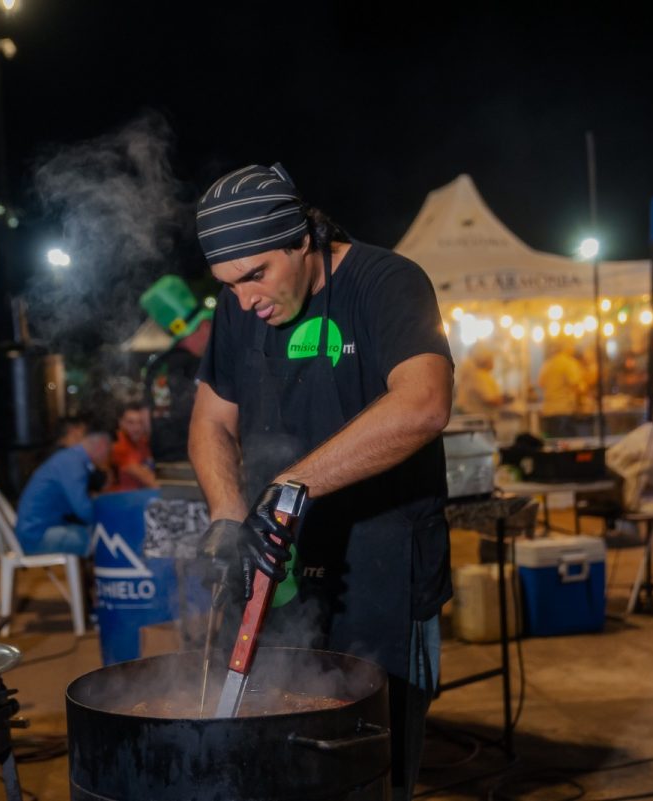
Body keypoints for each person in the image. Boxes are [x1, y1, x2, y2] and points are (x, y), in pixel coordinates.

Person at [188, 163, 454, 799]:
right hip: (278, 566)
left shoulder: (387, 282)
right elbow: (210, 422)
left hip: (383, 565)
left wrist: (288, 487)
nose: (245, 299)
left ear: (303, 239)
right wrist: (228, 515)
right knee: (275, 761)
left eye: (256, 274)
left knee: (373, 764)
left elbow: (423, 404)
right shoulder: (238, 307)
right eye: (228, 284)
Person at [140, 275, 214, 464]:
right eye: (209, 325)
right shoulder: (197, 365)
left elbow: (147, 420)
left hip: (163, 460)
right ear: (202, 326)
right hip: (200, 458)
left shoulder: (154, 366)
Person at [14, 428, 112, 556]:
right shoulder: (73, 464)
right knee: (106, 536)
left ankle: (83, 575)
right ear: (102, 446)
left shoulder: (68, 458)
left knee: (97, 531)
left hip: (32, 531)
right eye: (109, 451)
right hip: (37, 537)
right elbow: (83, 510)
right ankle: (102, 576)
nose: (109, 456)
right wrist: (111, 519)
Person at [538, 340, 587, 437]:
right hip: (563, 412)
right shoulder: (568, 363)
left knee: (552, 446)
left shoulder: (548, 363)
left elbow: (541, 383)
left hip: (548, 412)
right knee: (568, 446)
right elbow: (577, 386)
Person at [108, 401, 157, 491]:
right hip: (118, 499)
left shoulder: (142, 441)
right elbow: (148, 478)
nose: (136, 428)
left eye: (140, 422)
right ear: (120, 423)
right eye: (130, 422)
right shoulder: (119, 445)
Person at [455, 345, 508, 417]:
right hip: (479, 421)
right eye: (491, 359)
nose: (493, 362)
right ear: (486, 361)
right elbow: (489, 400)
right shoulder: (479, 377)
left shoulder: (483, 375)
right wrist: (504, 400)